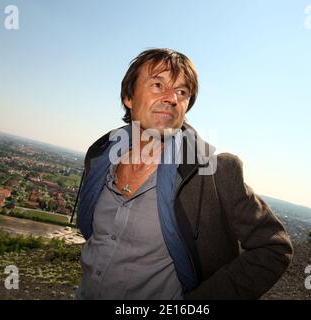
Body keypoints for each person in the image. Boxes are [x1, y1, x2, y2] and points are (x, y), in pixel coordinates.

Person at [75, 48, 293, 300]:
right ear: (128, 97)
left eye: (182, 92)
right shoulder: (100, 157)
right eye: (158, 85)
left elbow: (274, 248)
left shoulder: (213, 174)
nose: (171, 98)